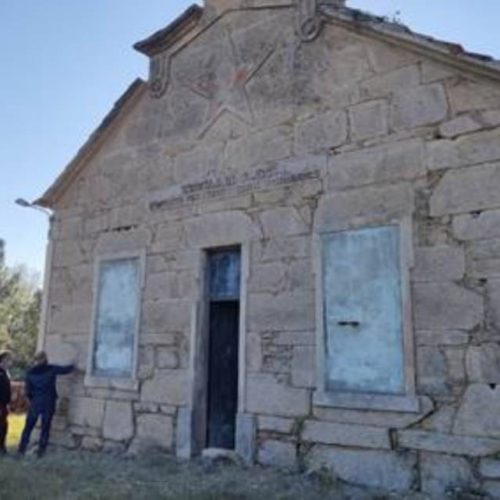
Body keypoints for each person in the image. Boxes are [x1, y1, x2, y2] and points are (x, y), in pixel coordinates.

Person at [18, 351, 74, 457]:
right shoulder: (50, 369)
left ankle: (22, 449)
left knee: (28, 427)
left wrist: (33, 399)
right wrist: (74, 364)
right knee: (45, 427)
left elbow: (28, 391)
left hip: (35, 402)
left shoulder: (30, 372)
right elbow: (65, 370)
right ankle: (41, 450)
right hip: (48, 402)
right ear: (44, 359)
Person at [0, 350, 12, 455]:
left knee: (4, 425)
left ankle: (2, 446)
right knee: (2, 426)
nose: (10, 362)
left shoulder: (6, 372)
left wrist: (7, 403)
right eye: (8, 360)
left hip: (4, 404)